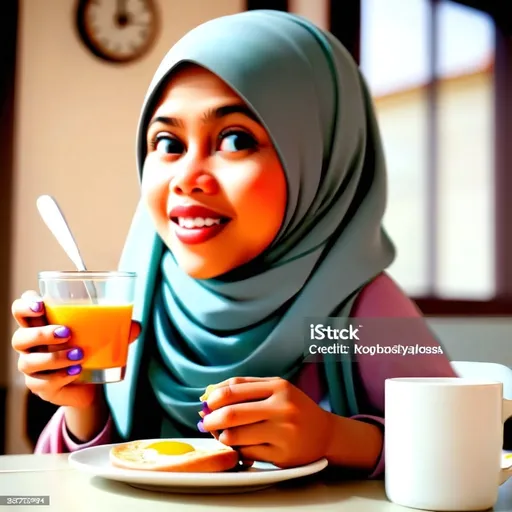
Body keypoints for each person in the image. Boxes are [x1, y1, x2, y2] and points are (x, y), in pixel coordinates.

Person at [11, 10, 456, 476]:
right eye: (167, 143)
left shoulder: (355, 315)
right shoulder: (144, 293)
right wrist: (83, 405)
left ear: (318, 158)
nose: (187, 178)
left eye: (235, 139)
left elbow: (459, 447)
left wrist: (333, 437)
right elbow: (67, 488)